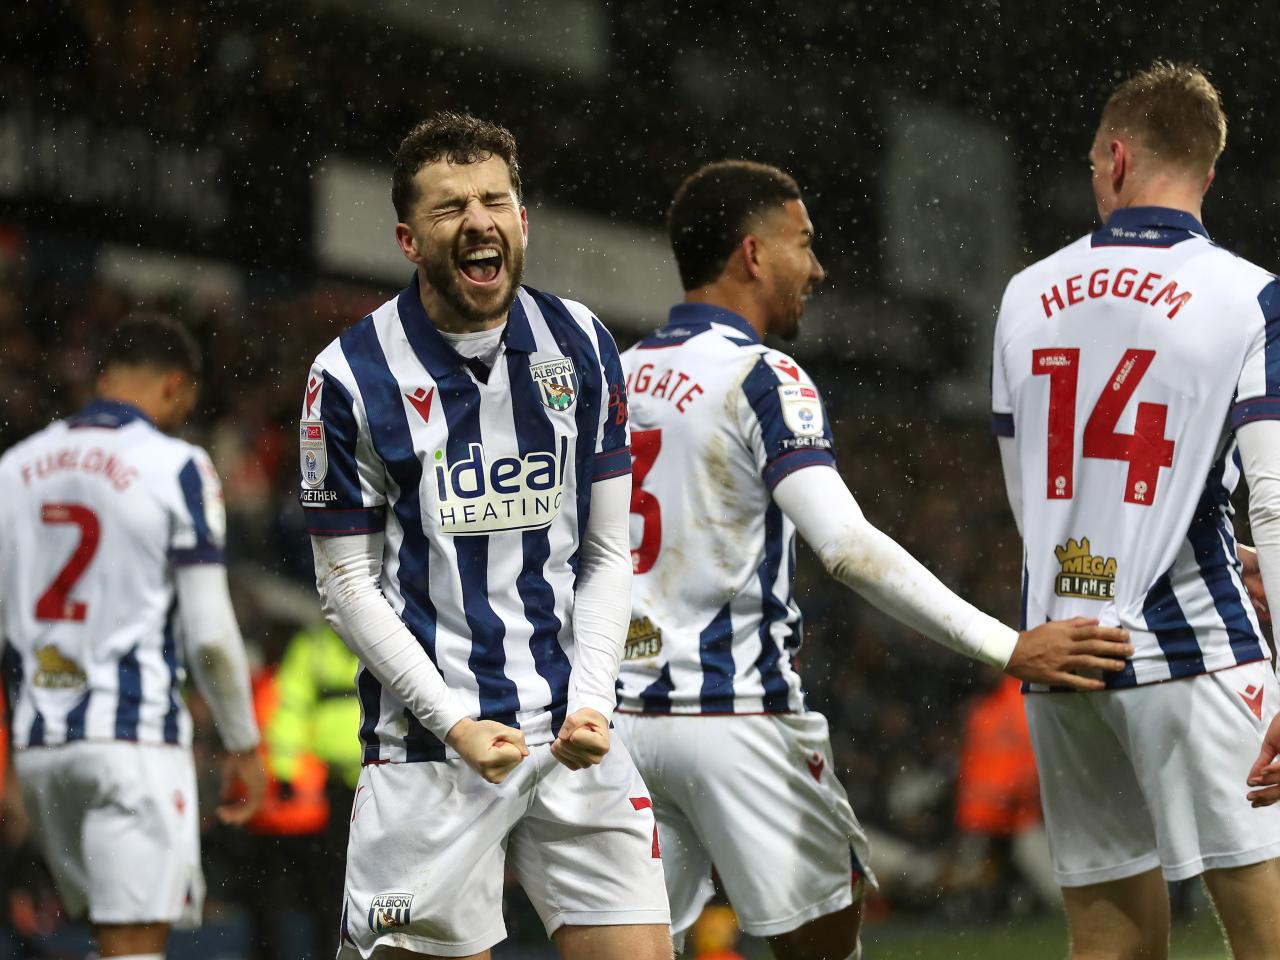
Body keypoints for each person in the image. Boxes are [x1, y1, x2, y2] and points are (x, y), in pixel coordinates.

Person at [613, 159, 1133, 960]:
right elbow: (848, 549)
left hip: (620, 726)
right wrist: (1008, 645)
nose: (816, 269)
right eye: (803, 244)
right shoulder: (762, 376)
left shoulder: (614, 378)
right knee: (823, 950)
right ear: (752, 256)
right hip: (734, 716)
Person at [299, 112, 670, 960]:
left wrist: (592, 701)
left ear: (522, 220)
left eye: (495, 200)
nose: (478, 221)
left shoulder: (579, 341)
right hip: (430, 748)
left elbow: (609, 554)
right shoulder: (349, 375)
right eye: (450, 207)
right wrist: (455, 721)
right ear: (407, 237)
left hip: (574, 739)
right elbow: (346, 587)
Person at [992, 61, 1280, 959]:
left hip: (1064, 656)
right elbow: (1272, 500)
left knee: (1110, 944)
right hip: (1195, 646)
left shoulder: (1026, 293)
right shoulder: (1250, 295)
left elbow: (1025, 488)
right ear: (1208, 171)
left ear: (1116, 158)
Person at [0, 317, 266, 960]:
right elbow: (207, 631)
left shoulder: (14, 467)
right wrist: (241, 740)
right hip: (132, 741)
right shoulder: (176, 466)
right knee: (135, 946)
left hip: (41, 748)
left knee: (105, 938)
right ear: (175, 388)